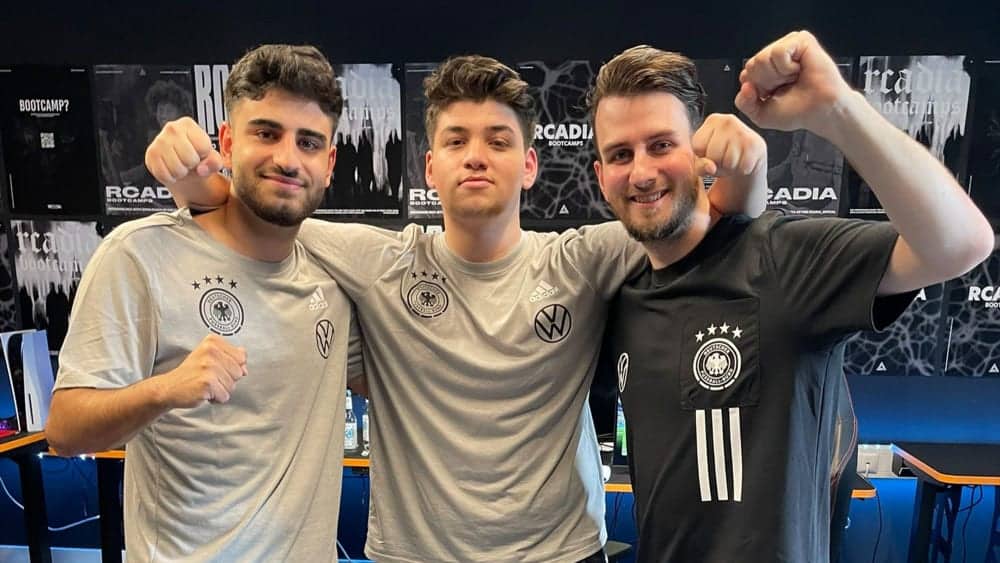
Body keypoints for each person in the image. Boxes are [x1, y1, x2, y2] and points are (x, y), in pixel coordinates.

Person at [146, 54, 766, 562]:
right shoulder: (381, 263)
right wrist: (190, 176)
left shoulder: (582, 261)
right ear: (430, 167)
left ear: (529, 165)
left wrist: (747, 165)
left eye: (498, 140)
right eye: (456, 140)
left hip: (560, 555)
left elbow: (712, 218)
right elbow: (261, 212)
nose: (476, 155)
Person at [590, 32, 993, 562]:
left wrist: (838, 109)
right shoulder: (620, 293)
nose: (641, 172)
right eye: (621, 154)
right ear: (601, 176)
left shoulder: (781, 258)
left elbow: (962, 243)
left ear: (699, 152)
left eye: (662, 145)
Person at [45, 44, 362, 561]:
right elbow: (64, 430)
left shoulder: (333, 277)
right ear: (228, 142)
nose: (287, 158)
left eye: (307, 142)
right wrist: (164, 390)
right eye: (266, 133)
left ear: (328, 164)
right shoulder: (140, 254)